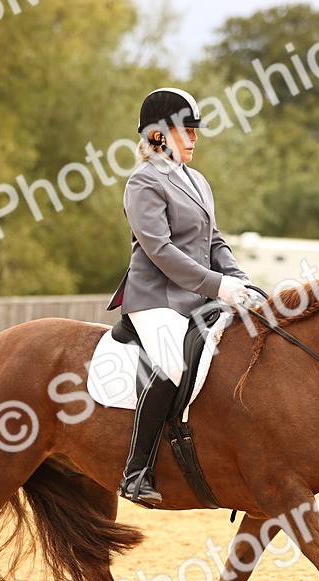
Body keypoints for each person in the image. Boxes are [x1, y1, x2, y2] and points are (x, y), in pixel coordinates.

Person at [106, 87, 254, 507]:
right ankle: (136, 472)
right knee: (173, 364)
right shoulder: (143, 182)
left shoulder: (198, 181)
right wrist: (217, 285)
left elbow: (215, 241)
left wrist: (239, 278)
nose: (194, 139)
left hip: (197, 296)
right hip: (156, 300)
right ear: (158, 136)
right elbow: (161, 250)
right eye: (185, 131)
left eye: (194, 131)